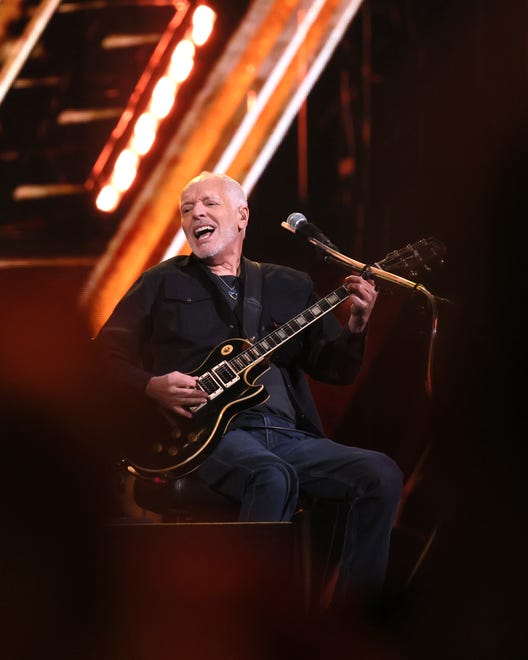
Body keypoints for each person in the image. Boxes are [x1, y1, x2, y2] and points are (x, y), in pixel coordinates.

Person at [96, 170, 403, 611]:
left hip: (288, 434)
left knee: (381, 474)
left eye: (208, 204)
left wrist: (356, 326)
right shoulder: (161, 282)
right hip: (207, 437)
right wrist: (151, 386)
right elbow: (103, 357)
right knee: (271, 475)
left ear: (242, 216)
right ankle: (251, 627)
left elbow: (333, 369)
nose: (195, 213)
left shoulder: (288, 284)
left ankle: (352, 622)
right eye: (186, 209)